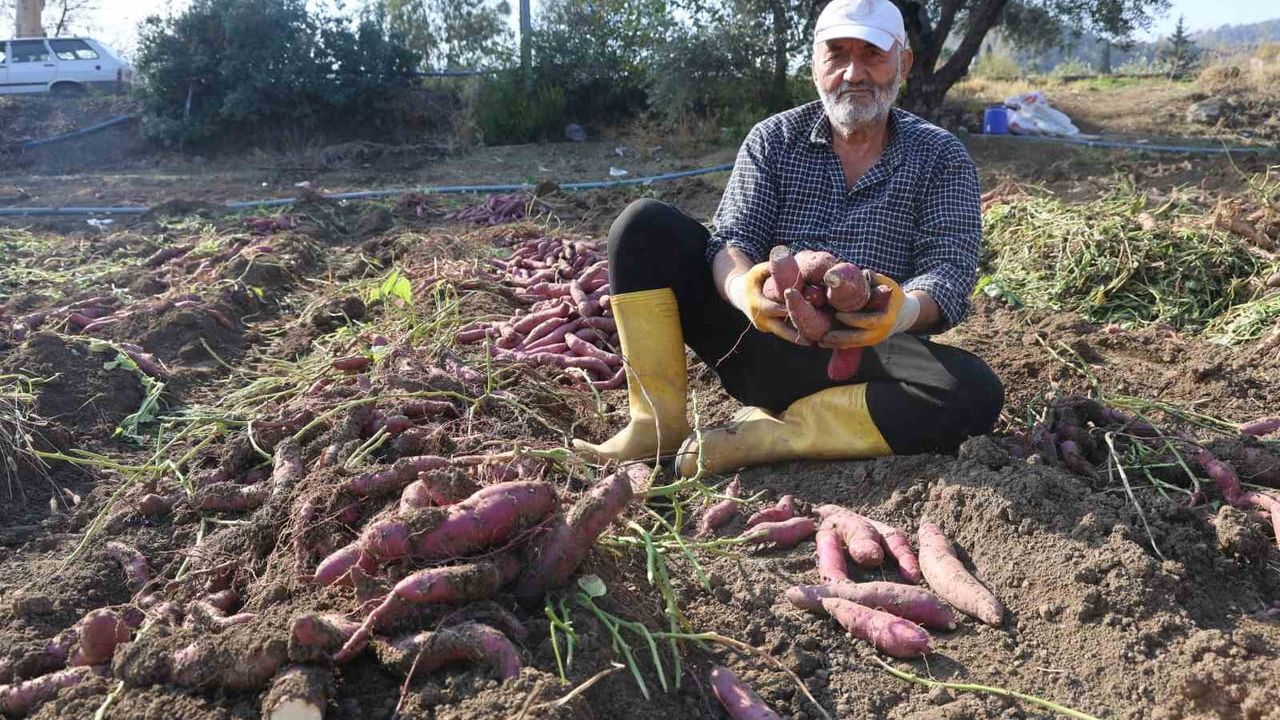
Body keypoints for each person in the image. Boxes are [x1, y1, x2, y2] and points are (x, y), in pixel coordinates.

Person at [572, 0, 1004, 477]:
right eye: (837, 54)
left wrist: (900, 311)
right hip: (757, 342)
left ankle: (777, 434)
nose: (852, 73)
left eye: (872, 55)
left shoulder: (941, 157)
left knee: (975, 391)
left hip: (869, 356)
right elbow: (733, 238)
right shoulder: (773, 139)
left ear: (902, 63)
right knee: (642, 226)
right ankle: (655, 424)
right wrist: (746, 291)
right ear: (815, 63)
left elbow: (949, 268)